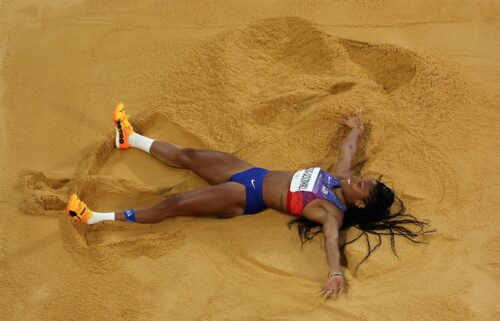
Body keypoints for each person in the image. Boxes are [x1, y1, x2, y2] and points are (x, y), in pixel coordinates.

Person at [66, 103, 431, 299]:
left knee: (175, 204)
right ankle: (130, 138)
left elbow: (331, 243)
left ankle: (95, 218)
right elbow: (348, 150)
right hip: (249, 172)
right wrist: (356, 127)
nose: (358, 178)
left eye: (363, 186)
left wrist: (336, 273)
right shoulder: (337, 177)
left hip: (245, 196)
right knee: (190, 156)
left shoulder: (329, 212)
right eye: (364, 178)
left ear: (360, 204)